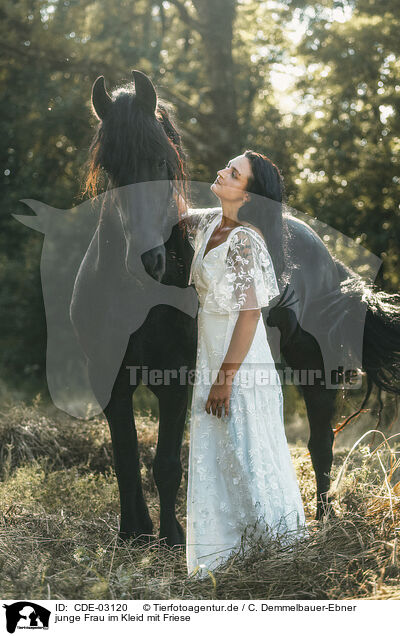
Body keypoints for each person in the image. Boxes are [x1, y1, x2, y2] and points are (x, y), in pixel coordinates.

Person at [181, 150, 306, 578]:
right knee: (219, 455)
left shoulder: (244, 240)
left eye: (233, 173)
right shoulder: (211, 226)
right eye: (226, 166)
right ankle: (223, 561)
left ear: (249, 195)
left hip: (239, 365)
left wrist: (224, 380)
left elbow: (250, 315)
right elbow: (174, 208)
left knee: (248, 456)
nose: (221, 171)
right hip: (211, 354)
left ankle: (276, 558)